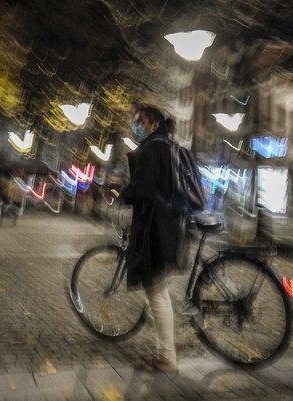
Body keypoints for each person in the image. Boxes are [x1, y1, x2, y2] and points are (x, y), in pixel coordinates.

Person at [120, 105, 182, 373]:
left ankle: (166, 357)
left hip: (155, 230)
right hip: (165, 226)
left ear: (153, 123)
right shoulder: (166, 145)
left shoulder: (154, 148)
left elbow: (143, 188)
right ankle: (167, 346)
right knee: (158, 292)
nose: (137, 125)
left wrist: (123, 195)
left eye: (141, 121)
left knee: (157, 293)